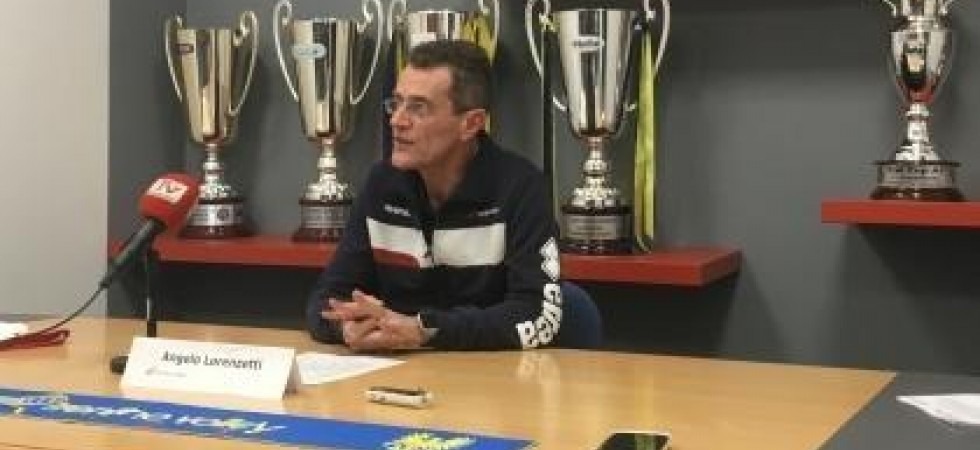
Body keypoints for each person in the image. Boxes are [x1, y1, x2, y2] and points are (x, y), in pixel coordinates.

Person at [306, 39, 564, 351]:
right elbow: (327, 298)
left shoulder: (520, 188)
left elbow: (539, 315)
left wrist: (423, 330)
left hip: (495, 376)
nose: (397, 121)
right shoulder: (381, 184)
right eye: (396, 103)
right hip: (398, 372)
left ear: (471, 124)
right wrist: (348, 326)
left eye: (418, 108)